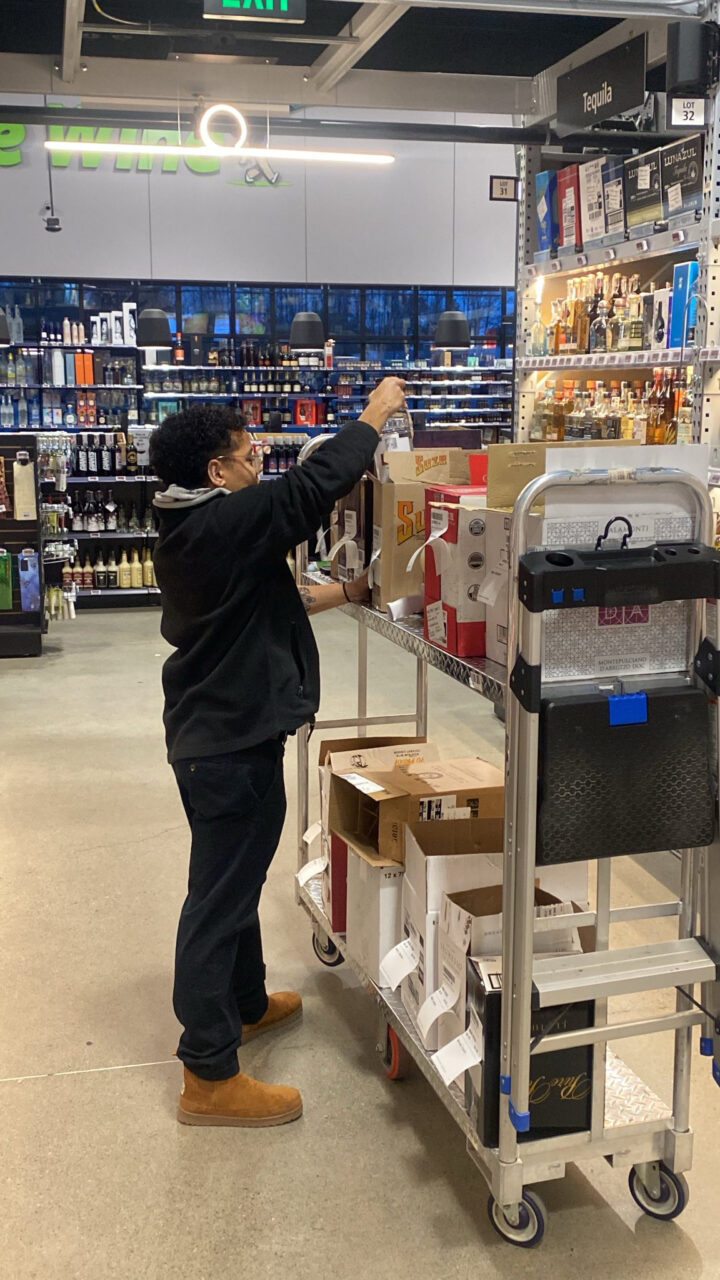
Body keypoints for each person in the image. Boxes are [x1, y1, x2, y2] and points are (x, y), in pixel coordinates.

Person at [149, 378, 406, 1128]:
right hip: (227, 743)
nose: (256, 458)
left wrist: (353, 592)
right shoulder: (220, 524)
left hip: (215, 737)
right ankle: (208, 1071)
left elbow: (271, 597)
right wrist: (371, 417)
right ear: (216, 473)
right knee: (218, 896)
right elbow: (309, 490)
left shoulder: (195, 525)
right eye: (245, 452)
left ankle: (247, 1003)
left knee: (234, 874)